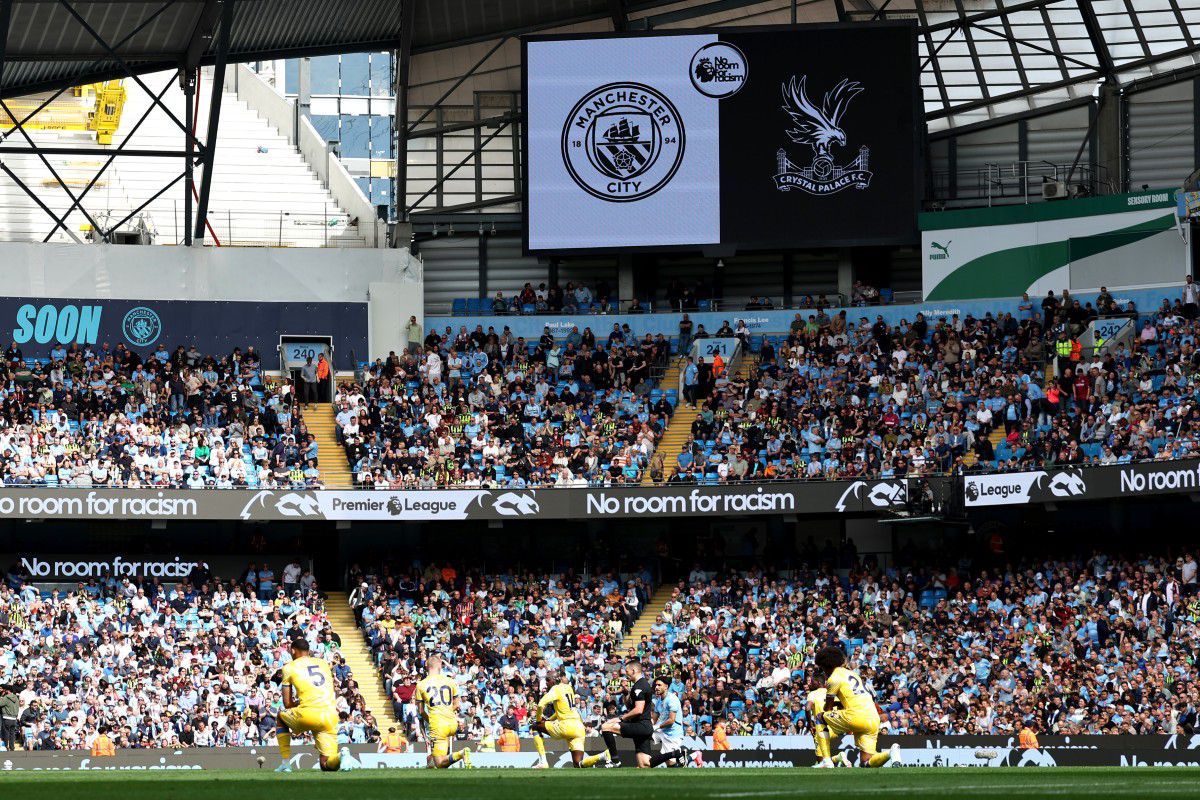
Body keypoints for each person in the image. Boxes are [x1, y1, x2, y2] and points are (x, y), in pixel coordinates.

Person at [812, 646, 899, 769]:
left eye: (822, 668)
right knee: (866, 763)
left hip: (856, 716)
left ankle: (826, 761)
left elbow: (827, 709)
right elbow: (852, 699)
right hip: (873, 717)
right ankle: (891, 752)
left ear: (826, 665)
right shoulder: (853, 674)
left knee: (820, 717)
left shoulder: (833, 678)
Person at [275, 637, 347, 772]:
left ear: (294, 651)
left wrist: (298, 703)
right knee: (326, 765)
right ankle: (341, 755)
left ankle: (285, 763)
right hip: (330, 716)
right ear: (308, 651)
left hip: (308, 714)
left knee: (280, 717)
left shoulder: (289, 667)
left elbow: (287, 704)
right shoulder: (323, 663)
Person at [532, 671, 609, 768]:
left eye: (547, 681)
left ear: (551, 680)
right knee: (578, 764)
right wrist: (549, 721)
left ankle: (543, 762)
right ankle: (603, 755)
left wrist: (539, 720)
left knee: (534, 727)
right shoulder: (568, 687)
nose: (546, 683)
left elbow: (540, 705)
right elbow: (561, 711)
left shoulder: (555, 689)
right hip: (579, 728)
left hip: (566, 726)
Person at [415, 654, 472, 769]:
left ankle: (462, 753)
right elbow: (457, 704)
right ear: (440, 666)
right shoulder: (450, 681)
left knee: (439, 763)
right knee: (441, 760)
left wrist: (430, 720)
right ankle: (432, 762)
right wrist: (447, 713)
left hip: (437, 724)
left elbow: (421, 711)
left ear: (426, 665)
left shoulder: (420, 685)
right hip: (452, 723)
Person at [600, 661, 654, 768]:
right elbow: (630, 706)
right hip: (643, 725)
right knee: (644, 765)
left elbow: (638, 710)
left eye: (627, 671)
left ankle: (615, 761)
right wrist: (625, 692)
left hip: (641, 725)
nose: (626, 674)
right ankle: (675, 755)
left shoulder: (640, 686)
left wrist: (621, 718)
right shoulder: (639, 685)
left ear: (633, 671)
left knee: (606, 727)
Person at [650, 675, 688, 767]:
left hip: (672, 733)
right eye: (655, 685)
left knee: (671, 764)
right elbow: (653, 720)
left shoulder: (672, 699)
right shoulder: (659, 701)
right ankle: (644, 760)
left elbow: (671, 720)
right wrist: (650, 726)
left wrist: (656, 726)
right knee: (644, 735)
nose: (656, 687)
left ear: (666, 687)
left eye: (659, 685)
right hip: (661, 731)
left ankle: (686, 754)